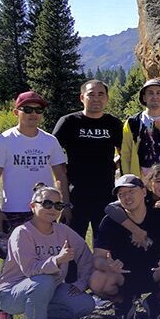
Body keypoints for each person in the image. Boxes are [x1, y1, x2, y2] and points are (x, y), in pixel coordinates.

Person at [0, 91, 71, 319]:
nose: (34, 115)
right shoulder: (4, 140)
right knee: (11, 262)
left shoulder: (49, 141)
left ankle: (41, 303)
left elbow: (60, 175)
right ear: (16, 112)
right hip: (12, 209)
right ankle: (5, 308)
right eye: (28, 110)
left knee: (44, 257)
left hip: (45, 209)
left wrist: (63, 205)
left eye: (38, 110)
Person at [0, 184, 94, 319]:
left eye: (58, 205)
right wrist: (58, 260)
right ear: (32, 206)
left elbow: (86, 256)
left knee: (85, 304)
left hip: (50, 289)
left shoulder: (63, 231)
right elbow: (30, 270)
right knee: (44, 280)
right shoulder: (22, 233)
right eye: (47, 204)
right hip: (11, 294)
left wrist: (82, 282)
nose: (52, 209)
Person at [89, 175, 160, 319]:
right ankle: (122, 304)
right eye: (121, 194)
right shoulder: (109, 221)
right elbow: (98, 258)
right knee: (97, 280)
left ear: (144, 192)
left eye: (131, 192)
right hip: (122, 274)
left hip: (155, 272)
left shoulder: (157, 215)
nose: (126, 197)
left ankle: (155, 301)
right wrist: (107, 265)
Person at [52, 79, 124, 239]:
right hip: (75, 196)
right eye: (91, 94)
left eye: (101, 94)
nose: (96, 98)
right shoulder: (68, 122)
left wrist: (114, 165)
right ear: (82, 97)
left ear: (107, 98)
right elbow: (52, 155)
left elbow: (125, 153)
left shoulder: (113, 123)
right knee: (72, 246)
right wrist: (63, 197)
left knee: (105, 246)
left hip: (105, 194)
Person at [104, 164, 160, 247]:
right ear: (150, 184)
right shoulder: (142, 197)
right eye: (158, 181)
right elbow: (110, 208)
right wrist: (136, 230)